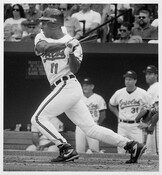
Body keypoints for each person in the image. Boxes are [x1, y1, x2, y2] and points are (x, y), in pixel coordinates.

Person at [31, 7, 147, 164]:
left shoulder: (74, 44)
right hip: (61, 88)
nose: (41, 26)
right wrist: (65, 46)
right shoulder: (41, 37)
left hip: (67, 85)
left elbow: (74, 68)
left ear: (53, 23)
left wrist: (71, 51)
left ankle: (65, 148)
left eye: (44, 22)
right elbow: (42, 48)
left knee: (38, 118)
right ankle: (131, 145)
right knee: (90, 129)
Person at [109, 70, 152, 154]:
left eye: (130, 79)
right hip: (122, 126)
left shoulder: (143, 93)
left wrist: (147, 123)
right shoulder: (119, 93)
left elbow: (153, 107)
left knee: (138, 150)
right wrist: (118, 114)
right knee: (121, 151)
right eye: (126, 79)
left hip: (136, 126)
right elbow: (111, 104)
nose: (127, 81)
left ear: (135, 81)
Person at [75, 78, 107, 153]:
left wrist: (96, 124)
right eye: (83, 86)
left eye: (87, 85)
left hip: (93, 125)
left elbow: (103, 115)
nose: (84, 87)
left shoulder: (98, 98)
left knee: (94, 150)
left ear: (92, 86)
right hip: (80, 126)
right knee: (79, 150)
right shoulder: (78, 98)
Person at [136, 65, 159, 155]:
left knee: (156, 152)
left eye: (150, 74)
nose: (147, 76)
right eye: (146, 74)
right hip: (153, 123)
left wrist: (151, 125)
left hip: (157, 124)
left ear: (156, 75)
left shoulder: (157, 87)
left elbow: (158, 108)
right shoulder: (151, 88)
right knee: (150, 153)